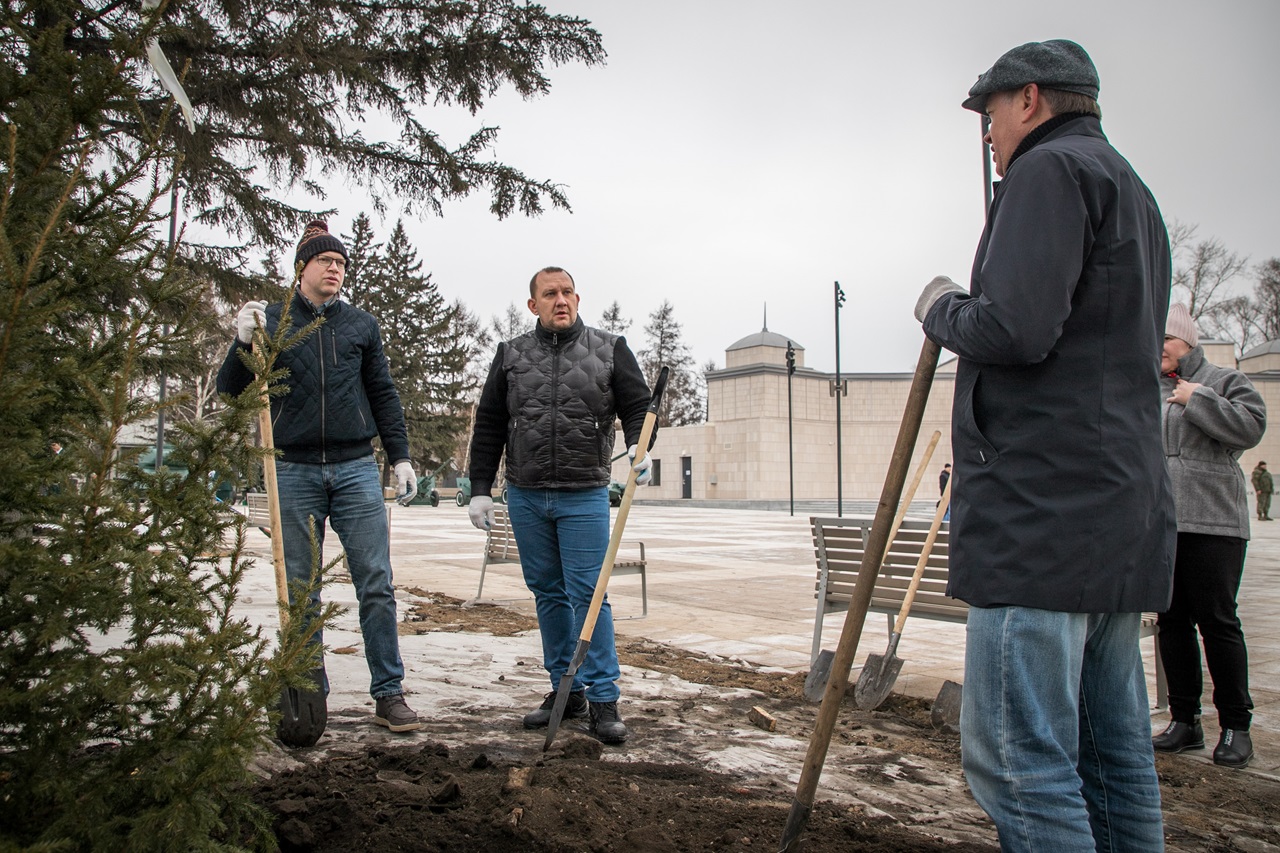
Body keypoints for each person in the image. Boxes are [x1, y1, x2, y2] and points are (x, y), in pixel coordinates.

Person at [913, 40, 1175, 851]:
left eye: (989, 114)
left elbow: (1014, 328)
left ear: (1028, 100)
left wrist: (939, 306)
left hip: (1041, 521)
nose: (987, 134)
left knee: (1019, 763)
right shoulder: (1133, 190)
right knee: (1113, 757)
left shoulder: (1047, 173)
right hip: (1111, 519)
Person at [217, 219, 422, 733]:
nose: (336, 269)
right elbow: (231, 389)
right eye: (326, 261)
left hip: (356, 468)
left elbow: (383, 393)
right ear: (301, 268)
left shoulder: (361, 325)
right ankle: (307, 696)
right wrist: (242, 344)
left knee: (376, 581)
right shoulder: (271, 319)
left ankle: (389, 692)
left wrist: (399, 456)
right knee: (300, 588)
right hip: (292, 468)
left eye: (342, 264)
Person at [465, 266, 652, 744]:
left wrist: (638, 447)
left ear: (578, 298)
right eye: (550, 294)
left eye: (567, 292)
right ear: (534, 305)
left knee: (589, 595)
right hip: (526, 494)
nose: (560, 300)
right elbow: (488, 422)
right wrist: (481, 486)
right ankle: (564, 691)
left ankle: (604, 697)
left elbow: (637, 405)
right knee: (547, 593)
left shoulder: (611, 348)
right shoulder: (511, 355)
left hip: (584, 493)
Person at [1151, 303, 1265, 768]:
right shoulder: (1148, 388)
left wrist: (1195, 399)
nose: (1158, 349)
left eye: (1166, 341)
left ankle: (1237, 726)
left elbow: (1250, 427)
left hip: (1214, 523)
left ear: (1188, 342)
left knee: (1218, 622)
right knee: (1172, 622)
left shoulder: (1223, 381)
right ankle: (1185, 722)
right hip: (1162, 524)